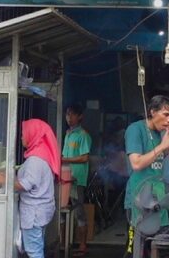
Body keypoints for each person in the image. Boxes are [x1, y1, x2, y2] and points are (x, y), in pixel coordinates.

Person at [125, 95, 169, 258]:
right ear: (152, 112)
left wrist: (167, 147)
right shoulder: (135, 129)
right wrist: (162, 147)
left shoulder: (158, 133)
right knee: (138, 249)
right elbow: (136, 163)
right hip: (140, 199)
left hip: (158, 198)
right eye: (165, 115)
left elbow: (159, 163)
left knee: (158, 246)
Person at [15, 119, 60, 258]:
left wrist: (3, 180)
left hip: (34, 213)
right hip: (40, 211)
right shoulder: (42, 155)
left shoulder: (35, 160)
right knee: (37, 248)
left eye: (24, 134)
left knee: (34, 252)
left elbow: (25, 185)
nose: (22, 137)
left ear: (32, 135)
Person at [62, 103, 91, 256]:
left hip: (77, 179)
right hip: (64, 179)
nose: (69, 118)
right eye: (67, 114)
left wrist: (65, 160)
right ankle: (62, 243)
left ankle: (82, 245)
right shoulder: (67, 133)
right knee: (62, 211)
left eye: (72, 114)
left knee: (79, 212)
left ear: (80, 116)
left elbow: (85, 157)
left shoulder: (83, 135)